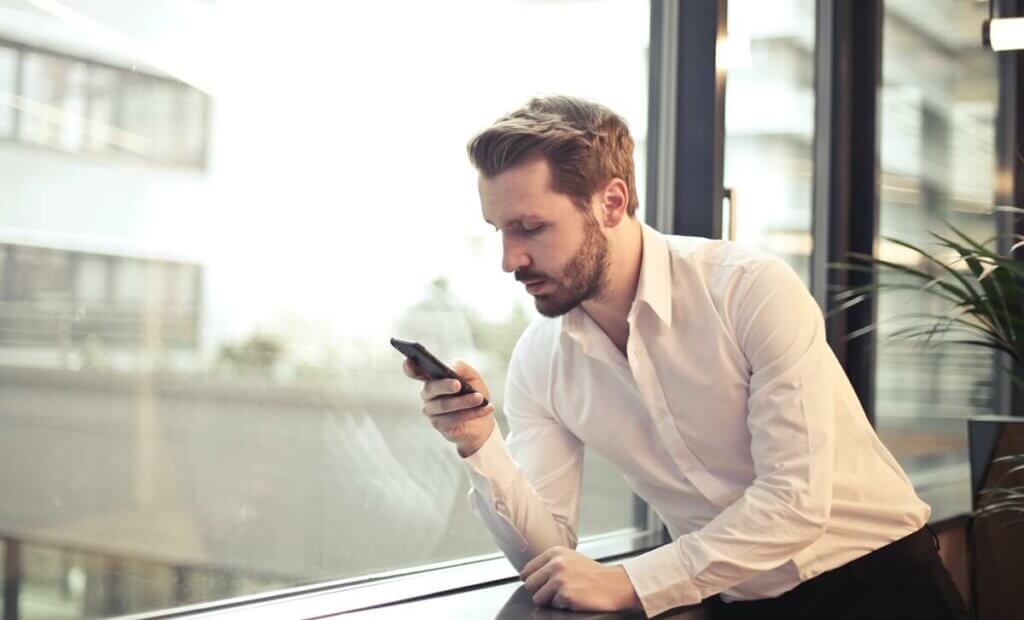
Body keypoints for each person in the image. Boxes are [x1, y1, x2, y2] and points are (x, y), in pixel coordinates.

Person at [401, 95, 969, 619]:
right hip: (733, 603)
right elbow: (549, 559)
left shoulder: (749, 289)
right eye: (500, 229)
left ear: (611, 202)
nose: (508, 259)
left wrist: (632, 581)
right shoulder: (540, 362)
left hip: (882, 586)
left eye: (531, 227)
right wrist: (479, 445)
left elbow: (794, 502)